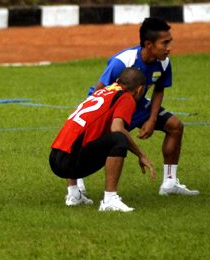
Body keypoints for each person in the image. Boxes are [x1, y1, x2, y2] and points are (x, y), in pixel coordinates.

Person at [75, 17, 198, 198]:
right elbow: (99, 91)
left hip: (138, 106)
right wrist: (94, 119)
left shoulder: (163, 62)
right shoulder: (122, 62)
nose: (169, 48)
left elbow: (159, 89)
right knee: (92, 141)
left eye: (169, 42)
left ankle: (170, 183)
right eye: (165, 43)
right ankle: (77, 180)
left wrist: (152, 119)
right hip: (109, 106)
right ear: (149, 44)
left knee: (175, 126)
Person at [50, 68, 155, 212]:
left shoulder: (102, 91)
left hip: (55, 156)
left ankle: (74, 194)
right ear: (140, 89)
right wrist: (141, 155)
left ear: (117, 82)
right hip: (69, 163)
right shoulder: (126, 98)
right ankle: (110, 199)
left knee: (92, 133)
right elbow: (117, 129)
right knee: (119, 138)